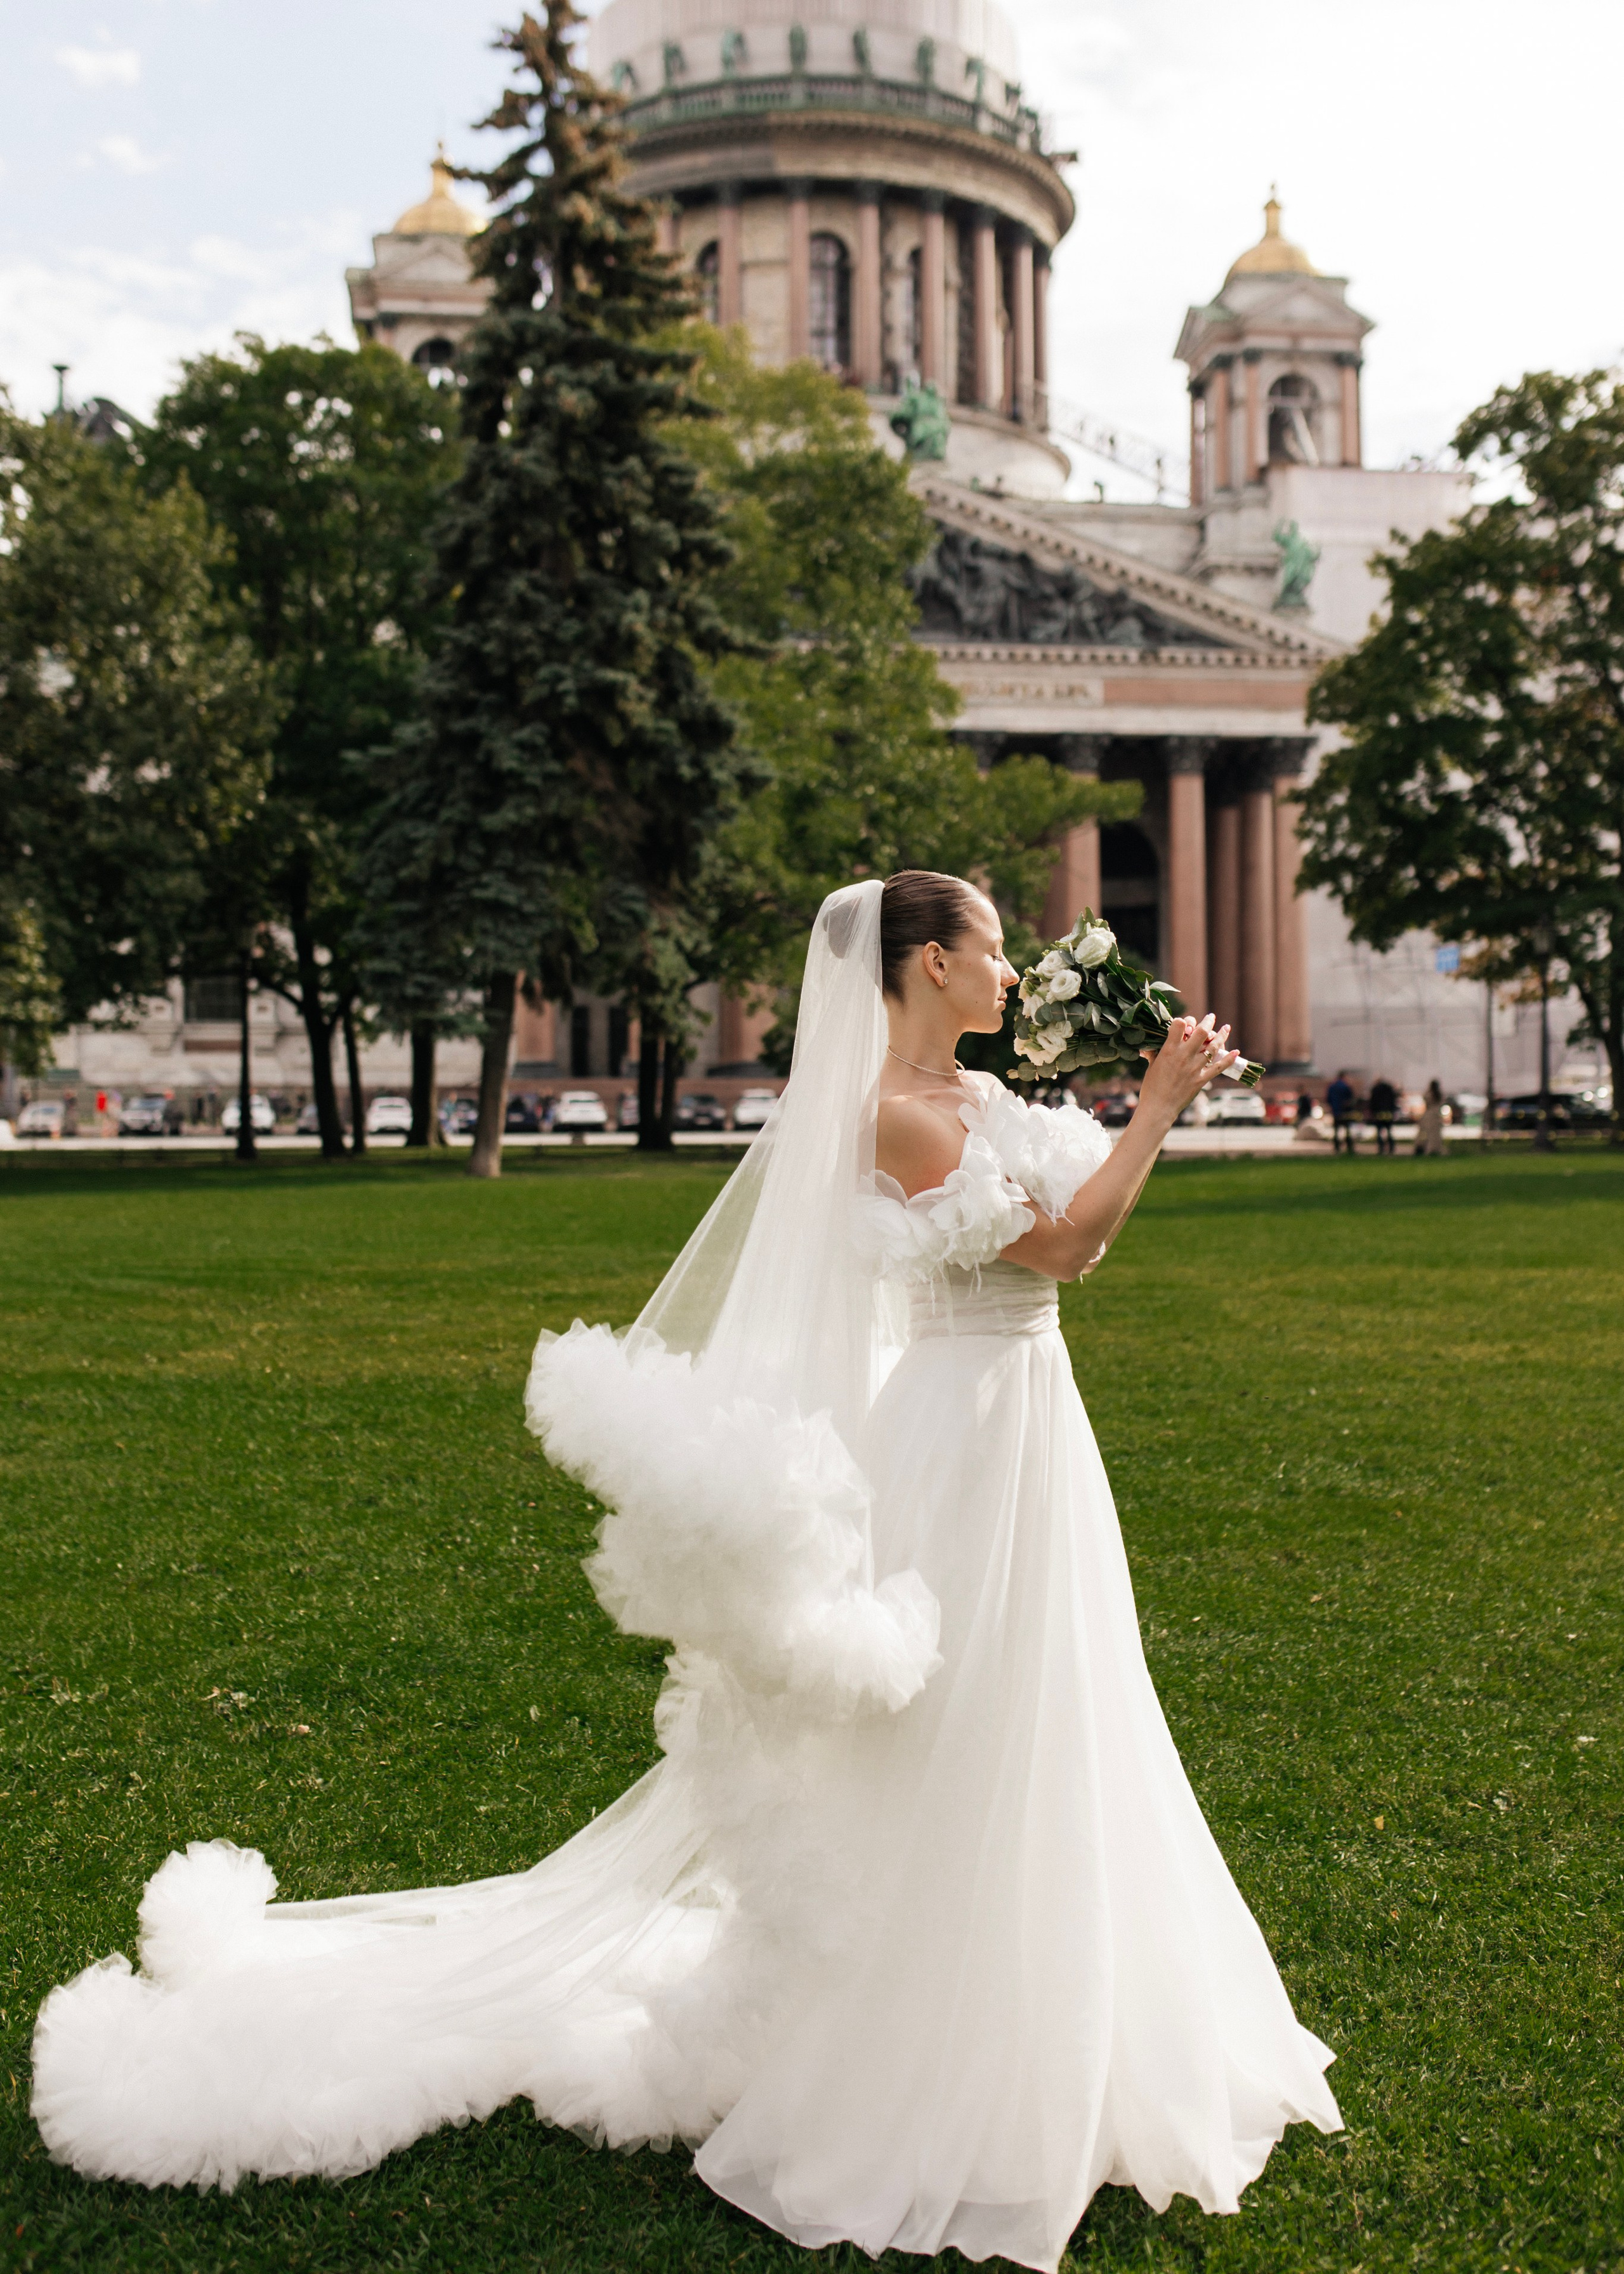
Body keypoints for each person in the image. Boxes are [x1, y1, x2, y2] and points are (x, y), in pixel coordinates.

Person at [32, 872, 1340, 2270]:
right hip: (965, 1442)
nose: (1013, 973)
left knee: (1060, 1700)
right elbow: (1067, 1247)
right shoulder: (898, 1116)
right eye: (991, 952)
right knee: (968, 1722)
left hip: (1031, 1428)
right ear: (923, 967)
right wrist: (1157, 1109)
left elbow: (1055, 1210)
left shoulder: (967, 1095)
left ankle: (1061, 2000)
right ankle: (921, 2039)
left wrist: (1121, 1083)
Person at [1325, 1068, 1357, 1153]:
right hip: (1345, 1112)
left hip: (1336, 1111)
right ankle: (1349, 1147)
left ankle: (1337, 1148)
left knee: (1336, 1131)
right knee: (1347, 1130)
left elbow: (1328, 1099)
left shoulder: (1332, 1087)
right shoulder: (1346, 1086)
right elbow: (1350, 1099)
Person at [1415, 1079, 1449, 1156]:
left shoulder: (1430, 1094)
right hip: (1436, 1116)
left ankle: (1423, 1148)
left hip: (1429, 1116)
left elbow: (1425, 1099)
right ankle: (1434, 1149)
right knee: (1435, 1135)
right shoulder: (1439, 1095)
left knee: (1425, 1134)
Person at [1368, 1075, 1398, 1155]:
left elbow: (1373, 1102)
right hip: (1388, 1113)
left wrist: (1372, 1112)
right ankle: (1391, 1148)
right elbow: (1393, 1100)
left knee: (1379, 1133)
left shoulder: (1375, 1089)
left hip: (1379, 1114)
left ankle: (1381, 1148)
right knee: (1389, 1132)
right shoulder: (1389, 1089)